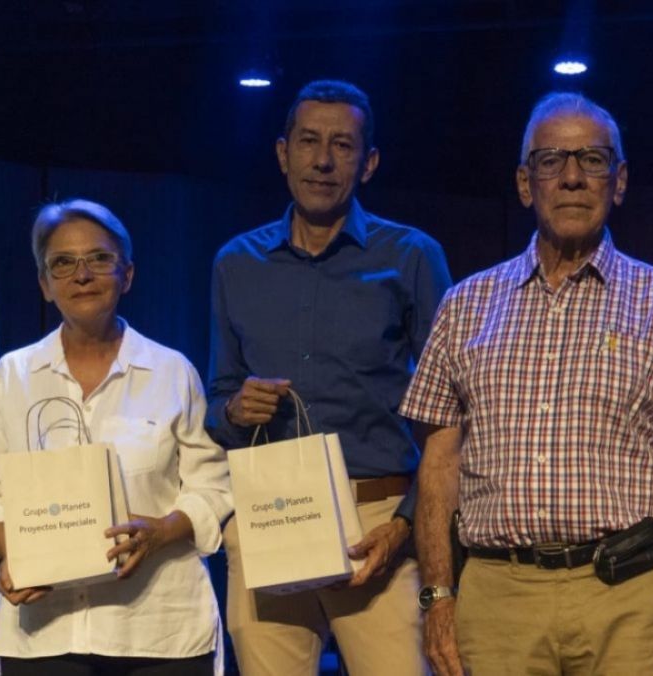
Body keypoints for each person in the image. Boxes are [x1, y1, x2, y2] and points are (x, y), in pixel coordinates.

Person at [402, 92, 653, 676]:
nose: (573, 177)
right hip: (498, 602)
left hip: (628, 599)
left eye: (593, 160)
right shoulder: (465, 306)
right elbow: (438, 468)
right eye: (552, 160)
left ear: (619, 181)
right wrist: (438, 599)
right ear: (525, 184)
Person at [207, 79, 452, 676]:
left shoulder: (411, 256)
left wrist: (405, 526)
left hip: (377, 523)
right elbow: (217, 400)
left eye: (342, 145)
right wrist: (235, 410)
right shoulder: (236, 262)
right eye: (308, 141)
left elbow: (454, 414)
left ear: (368, 163)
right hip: (271, 517)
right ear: (282, 152)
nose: (322, 160)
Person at [0, 199, 233, 675]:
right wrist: (19, 554)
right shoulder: (13, 375)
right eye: (63, 263)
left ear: (127, 274)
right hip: (44, 630)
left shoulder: (172, 372)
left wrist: (161, 531)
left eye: (99, 258)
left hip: (157, 630)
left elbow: (212, 488)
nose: (82, 275)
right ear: (45, 285)